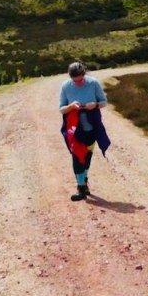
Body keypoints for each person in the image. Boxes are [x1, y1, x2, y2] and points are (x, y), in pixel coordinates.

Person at [59, 61, 110, 202]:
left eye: (80, 80)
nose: (78, 83)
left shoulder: (93, 83)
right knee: (77, 155)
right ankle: (80, 187)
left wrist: (95, 105)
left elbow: (104, 102)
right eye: (75, 81)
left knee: (87, 156)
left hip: (91, 128)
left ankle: (85, 181)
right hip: (74, 129)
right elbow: (61, 109)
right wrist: (71, 106)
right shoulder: (66, 86)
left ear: (84, 74)